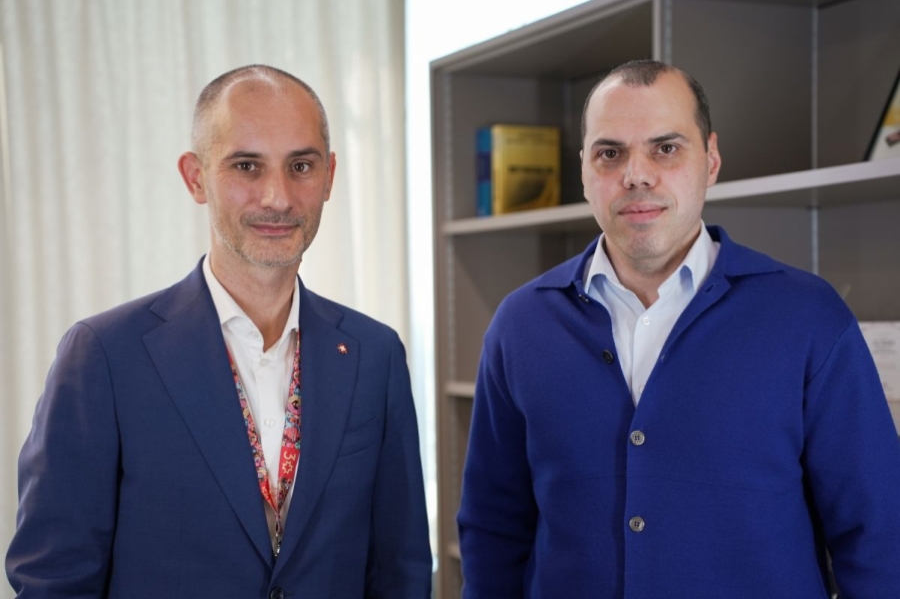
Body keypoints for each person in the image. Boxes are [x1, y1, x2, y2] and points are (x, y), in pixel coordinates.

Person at [457, 59, 900, 598]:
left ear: (710, 160)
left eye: (665, 148)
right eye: (610, 153)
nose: (637, 175)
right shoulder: (520, 325)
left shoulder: (810, 317)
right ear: (584, 171)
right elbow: (493, 528)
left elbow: (878, 535)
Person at [6, 65, 431, 598]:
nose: (277, 197)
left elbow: (400, 569)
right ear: (195, 177)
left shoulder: (375, 354)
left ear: (329, 177)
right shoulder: (104, 357)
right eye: (247, 166)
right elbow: (54, 581)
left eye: (301, 166)